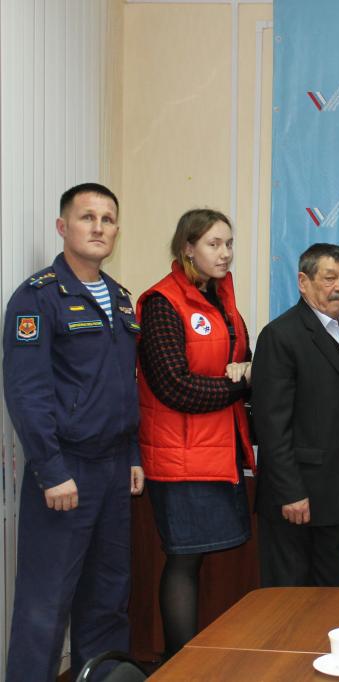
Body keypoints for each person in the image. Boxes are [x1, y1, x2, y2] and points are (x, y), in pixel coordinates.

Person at [2, 183, 144, 680]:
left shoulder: (121, 300)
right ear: (63, 227)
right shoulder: (38, 297)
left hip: (113, 469)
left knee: (108, 599)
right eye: (87, 217)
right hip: (66, 472)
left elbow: (123, 386)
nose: (98, 227)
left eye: (108, 219)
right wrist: (51, 469)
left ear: (117, 230)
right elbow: (26, 391)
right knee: (45, 606)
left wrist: (132, 453)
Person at [136, 208, 255, 658]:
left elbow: (244, 361)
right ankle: (178, 665)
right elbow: (176, 387)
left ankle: (193, 661)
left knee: (198, 560)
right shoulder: (162, 302)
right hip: (179, 458)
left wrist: (246, 371)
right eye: (213, 244)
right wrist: (240, 383)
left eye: (229, 244)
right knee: (184, 561)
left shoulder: (222, 299)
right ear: (188, 248)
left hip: (217, 452)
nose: (225, 253)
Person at [251, 243, 339, 586]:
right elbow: (272, 425)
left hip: (338, 497)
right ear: (303, 282)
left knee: (330, 597)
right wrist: (290, 492)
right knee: (289, 601)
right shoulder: (281, 335)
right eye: (330, 278)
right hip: (296, 498)